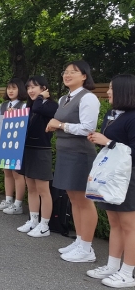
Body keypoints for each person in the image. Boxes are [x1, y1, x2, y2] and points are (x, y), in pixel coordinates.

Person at [46, 60, 100, 262]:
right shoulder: (63, 98)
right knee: (73, 199)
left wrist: (60, 125)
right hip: (65, 152)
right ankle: (80, 240)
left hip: (80, 154)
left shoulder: (89, 98)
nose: (67, 75)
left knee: (84, 201)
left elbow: (87, 128)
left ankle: (87, 248)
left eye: (73, 72)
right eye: (65, 72)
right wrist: (56, 126)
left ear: (84, 76)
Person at [87, 74, 135, 287]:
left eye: (112, 89)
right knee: (114, 222)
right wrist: (102, 141)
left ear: (125, 91)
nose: (107, 92)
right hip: (111, 175)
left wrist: (108, 142)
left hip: (129, 176)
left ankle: (128, 272)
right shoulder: (112, 114)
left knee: (129, 225)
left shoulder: (133, 117)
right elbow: (112, 145)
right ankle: (113, 265)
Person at [16, 76, 58, 237]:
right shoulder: (31, 106)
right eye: (28, 88)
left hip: (41, 150)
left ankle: (44, 224)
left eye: (35, 87)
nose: (30, 90)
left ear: (44, 88)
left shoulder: (50, 105)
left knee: (43, 189)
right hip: (28, 150)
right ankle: (33, 220)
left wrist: (41, 98)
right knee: (31, 187)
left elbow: (39, 109)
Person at [0, 78, 28, 214]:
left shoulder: (24, 106)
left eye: (14, 88)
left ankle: (18, 204)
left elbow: (24, 126)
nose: (11, 91)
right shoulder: (3, 106)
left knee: (17, 174)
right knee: (6, 172)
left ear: (20, 90)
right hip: (3, 143)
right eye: (9, 88)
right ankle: (8, 199)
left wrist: (13, 114)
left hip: (16, 144)